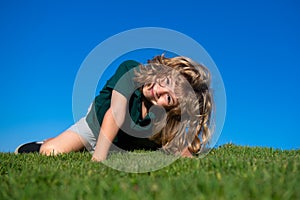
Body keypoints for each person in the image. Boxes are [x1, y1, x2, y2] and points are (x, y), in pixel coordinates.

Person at [15, 54, 214, 162]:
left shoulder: (161, 118)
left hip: (123, 142)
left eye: (168, 98)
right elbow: (116, 114)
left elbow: (178, 145)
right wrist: (98, 160)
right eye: (166, 80)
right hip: (97, 124)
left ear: (172, 110)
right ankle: (47, 141)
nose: (159, 90)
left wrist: (193, 162)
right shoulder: (131, 70)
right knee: (51, 152)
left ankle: (89, 147)